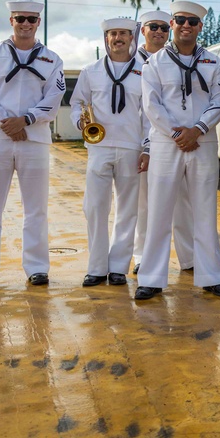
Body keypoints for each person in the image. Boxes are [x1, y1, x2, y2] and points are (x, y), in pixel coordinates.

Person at [0, 0, 64, 291]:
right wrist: (9, 123)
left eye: (32, 19)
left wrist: (26, 120)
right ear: (11, 20)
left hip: (34, 139)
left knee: (36, 208)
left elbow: (53, 99)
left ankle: (37, 268)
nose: (26, 23)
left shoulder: (51, 59)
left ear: (38, 23)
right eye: (20, 18)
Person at [135, 1, 220, 299]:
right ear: (172, 24)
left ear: (200, 26)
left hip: (202, 142)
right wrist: (178, 132)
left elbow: (219, 100)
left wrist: (198, 129)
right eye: (179, 21)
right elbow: (151, 104)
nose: (185, 25)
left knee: (205, 211)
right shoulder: (154, 63)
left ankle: (212, 275)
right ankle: (150, 278)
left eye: (192, 21)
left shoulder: (214, 63)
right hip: (167, 143)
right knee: (159, 212)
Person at [69, 18, 148, 287]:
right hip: (98, 148)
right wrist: (82, 122)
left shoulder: (145, 71)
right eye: (113, 34)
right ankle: (96, 266)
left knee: (127, 210)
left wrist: (147, 147)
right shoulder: (90, 71)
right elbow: (77, 102)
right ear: (106, 39)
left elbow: (149, 114)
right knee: (94, 208)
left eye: (123, 34)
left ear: (131, 38)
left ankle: (118, 268)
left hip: (131, 146)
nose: (118, 38)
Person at [133, 10, 194, 276]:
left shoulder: (177, 58)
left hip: (170, 138)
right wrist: (144, 145)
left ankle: (189, 257)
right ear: (142, 30)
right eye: (152, 27)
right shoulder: (128, 60)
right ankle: (142, 257)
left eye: (163, 28)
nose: (159, 32)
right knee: (145, 204)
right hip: (137, 140)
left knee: (183, 200)